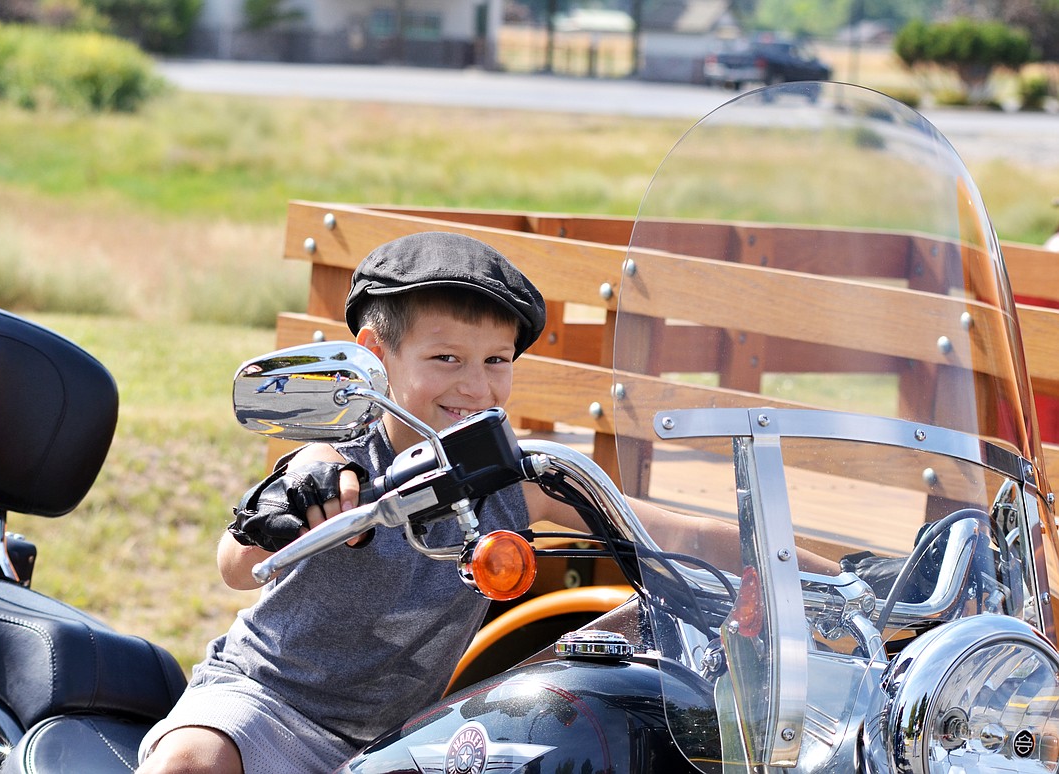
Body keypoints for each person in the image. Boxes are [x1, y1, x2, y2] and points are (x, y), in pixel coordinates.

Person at [137, 231, 833, 774]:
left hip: (403, 738)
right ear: (375, 355)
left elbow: (680, 534)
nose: (475, 387)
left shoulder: (515, 479)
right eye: (446, 359)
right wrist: (299, 500)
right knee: (193, 762)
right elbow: (235, 562)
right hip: (269, 706)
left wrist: (841, 576)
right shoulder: (343, 458)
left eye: (496, 361)